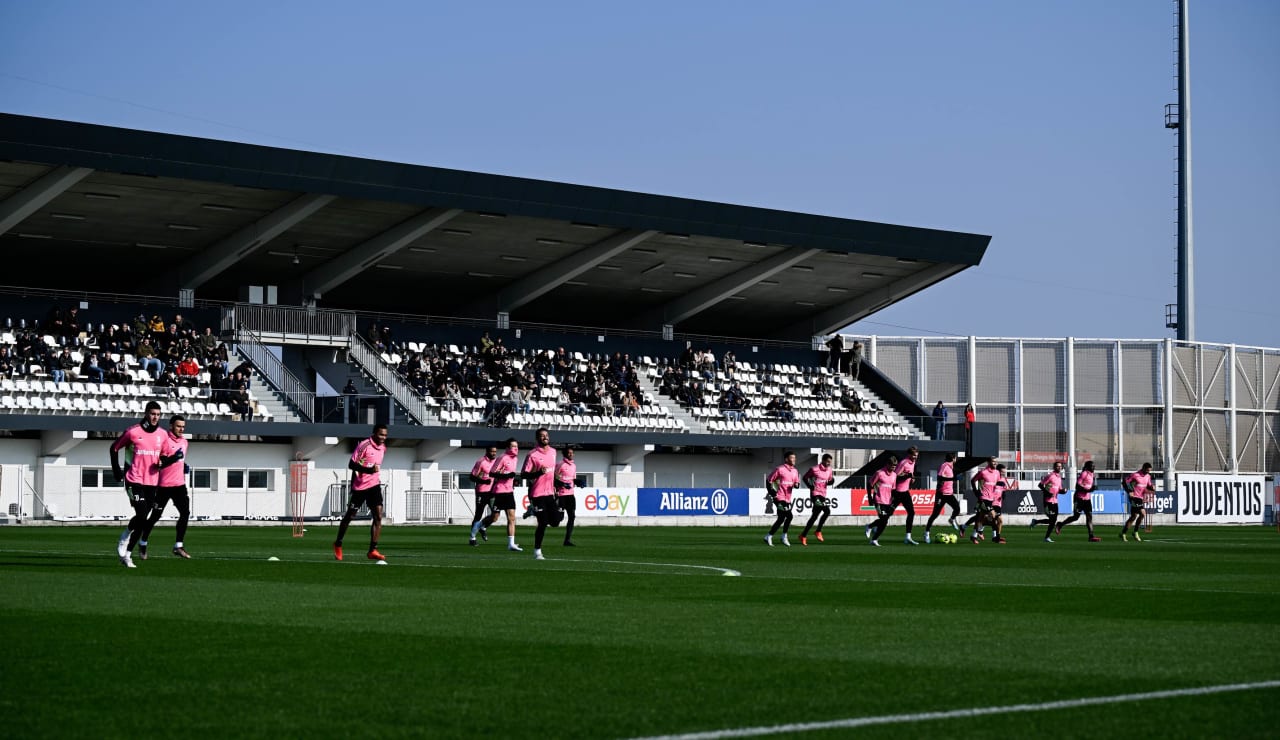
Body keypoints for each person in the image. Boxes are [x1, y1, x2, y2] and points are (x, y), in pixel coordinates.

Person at [109, 400, 167, 567]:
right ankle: (125, 535)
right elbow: (114, 448)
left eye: (158, 414)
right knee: (142, 515)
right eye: (152, 414)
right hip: (134, 479)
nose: (155, 417)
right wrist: (117, 471)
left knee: (143, 519)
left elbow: (163, 454)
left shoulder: (162, 435)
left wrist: (163, 461)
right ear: (146, 414)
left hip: (152, 482)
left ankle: (127, 555)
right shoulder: (133, 432)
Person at [138, 414, 193, 559]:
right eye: (178, 426)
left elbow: (180, 461)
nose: (181, 429)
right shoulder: (164, 441)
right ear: (171, 426)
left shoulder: (185, 442)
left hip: (179, 485)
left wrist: (183, 466)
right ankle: (143, 543)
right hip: (163, 486)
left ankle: (178, 546)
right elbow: (160, 464)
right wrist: (175, 458)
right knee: (155, 516)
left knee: (185, 513)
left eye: (183, 427)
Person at [333, 424, 389, 562]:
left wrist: (373, 474)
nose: (383, 437)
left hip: (374, 485)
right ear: (374, 433)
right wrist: (368, 471)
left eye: (385, 435)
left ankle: (372, 550)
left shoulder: (383, 448)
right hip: (360, 487)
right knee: (349, 516)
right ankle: (338, 543)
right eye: (381, 434)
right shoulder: (364, 445)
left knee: (378, 516)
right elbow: (351, 465)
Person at [522, 427, 559, 560]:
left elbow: (552, 472)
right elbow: (523, 474)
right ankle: (537, 551)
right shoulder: (532, 455)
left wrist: (557, 485)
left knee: (556, 522)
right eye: (542, 436)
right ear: (537, 438)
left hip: (550, 493)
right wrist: (538, 472)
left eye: (547, 435)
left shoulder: (554, 452)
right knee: (542, 522)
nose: (545, 437)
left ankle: (533, 510)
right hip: (537, 493)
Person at [487, 438, 523, 552]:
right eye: (513, 446)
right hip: (499, 491)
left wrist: (513, 480)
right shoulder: (502, 458)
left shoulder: (516, 459)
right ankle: (481, 526)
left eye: (517, 446)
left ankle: (511, 544)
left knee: (512, 518)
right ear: (507, 448)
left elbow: (510, 474)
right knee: (495, 517)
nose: (516, 448)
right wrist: (507, 476)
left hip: (509, 492)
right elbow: (492, 473)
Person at [1057, 460, 1101, 541]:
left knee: (1089, 517)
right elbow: (1077, 486)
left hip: (1087, 499)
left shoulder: (1092, 475)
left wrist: (1092, 489)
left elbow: (1088, 487)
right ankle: (1060, 524)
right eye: (1092, 466)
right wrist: (1088, 490)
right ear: (1088, 467)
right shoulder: (1084, 473)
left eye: (1094, 466)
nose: (1094, 467)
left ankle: (1091, 536)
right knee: (1075, 517)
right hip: (1079, 498)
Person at [963, 457, 1003, 543]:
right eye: (993, 462)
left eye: (996, 462)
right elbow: (973, 480)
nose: (995, 463)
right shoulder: (983, 472)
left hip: (991, 499)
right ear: (988, 462)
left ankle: (973, 536)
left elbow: (998, 484)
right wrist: (976, 492)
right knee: (993, 516)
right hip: (983, 498)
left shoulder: (997, 473)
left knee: (980, 519)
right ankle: (995, 537)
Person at [923, 452, 961, 543]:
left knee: (957, 509)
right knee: (935, 515)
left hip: (949, 494)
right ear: (953, 459)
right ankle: (926, 533)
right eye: (955, 458)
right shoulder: (944, 465)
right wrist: (953, 479)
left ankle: (951, 519)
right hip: (941, 494)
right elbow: (940, 477)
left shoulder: (951, 467)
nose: (956, 459)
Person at [764, 451, 800, 546]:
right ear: (786, 459)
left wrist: (796, 485)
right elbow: (769, 481)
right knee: (789, 516)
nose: (794, 459)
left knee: (781, 518)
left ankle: (769, 535)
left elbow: (797, 484)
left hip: (787, 498)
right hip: (779, 497)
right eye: (792, 458)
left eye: (794, 458)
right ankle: (783, 536)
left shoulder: (795, 471)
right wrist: (773, 494)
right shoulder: (779, 469)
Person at [799, 453, 835, 546]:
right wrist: (810, 486)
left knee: (814, 516)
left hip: (823, 494)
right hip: (815, 494)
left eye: (830, 462)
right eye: (827, 461)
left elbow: (830, 480)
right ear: (822, 460)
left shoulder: (829, 470)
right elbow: (805, 477)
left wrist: (831, 481)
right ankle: (818, 531)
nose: (828, 463)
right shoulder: (814, 469)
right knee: (827, 511)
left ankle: (803, 535)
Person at [890, 446, 921, 545]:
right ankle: (874, 527)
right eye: (914, 455)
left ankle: (908, 537)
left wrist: (912, 478)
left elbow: (910, 473)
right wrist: (906, 476)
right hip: (898, 492)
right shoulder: (904, 462)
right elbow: (895, 476)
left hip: (905, 492)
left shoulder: (913, 462)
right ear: (909, 454)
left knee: (911, 512)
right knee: (888, 513)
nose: (915, 457)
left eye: (917, 455)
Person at [467, 445, 498, 546]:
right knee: (478, 515)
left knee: (495, 515)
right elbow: (472, 477)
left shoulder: (496, 462)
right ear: (487, 451)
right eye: (492, 451)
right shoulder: (481, 462)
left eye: (495, 452)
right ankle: (472, 538)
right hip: (481, 492)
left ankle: (483, 527)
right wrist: (483, 481)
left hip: (492, 492)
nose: (494, 453)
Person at [865, 455, 898, 547]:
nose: (893, 468)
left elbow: (893, 488)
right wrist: (870, 497)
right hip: (878, 500)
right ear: (887, 464)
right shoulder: (879, 473)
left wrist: (894, 500)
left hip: (888, 501)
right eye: (892, 465)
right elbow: (869, 484)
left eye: (895, 466)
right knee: (884, 520)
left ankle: (870, 527)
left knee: (884, 521)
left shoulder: (894, 475)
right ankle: (874, 539)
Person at [1029, 462, 1065, 543]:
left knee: (1053, 520)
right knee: (1052, 520)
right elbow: (1040, 485)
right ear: (1054, 467)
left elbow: (1059, 490)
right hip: (1048, 501)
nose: (1059, 467)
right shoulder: (1050, 476)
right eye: (1057, 466)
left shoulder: (1059, 478)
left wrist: (1063, 491)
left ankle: (1036, 522)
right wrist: (1047, 493)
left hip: (1055, 501)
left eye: (1060, 466)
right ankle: (1046, 537)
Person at [1120, 462, 1153, 542]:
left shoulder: (1148, 476)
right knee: (1142, 513)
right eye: (1147, 470)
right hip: (1134, 497)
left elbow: (1148, 485)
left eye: (1149, 471)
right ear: (1143, 468)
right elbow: (1125, 482)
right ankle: (1135, 532)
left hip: (1140, 498)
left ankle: (1123, 533)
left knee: (1133, 517)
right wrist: (1129, 491)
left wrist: (1152, 487)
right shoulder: (1135, 475)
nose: (1148, 472)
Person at [555, 447, 578, 546]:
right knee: (558, 519)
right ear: (565, 454)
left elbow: (572, 479)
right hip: (561, 495)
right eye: (569, 453)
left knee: (572, 516)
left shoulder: (573, 466)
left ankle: (567, 540)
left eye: (572, 453)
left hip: (570, 495)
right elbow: (554, 479)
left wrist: (578, 482)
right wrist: (562, 484)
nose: (571, 454)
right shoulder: (560, 465)